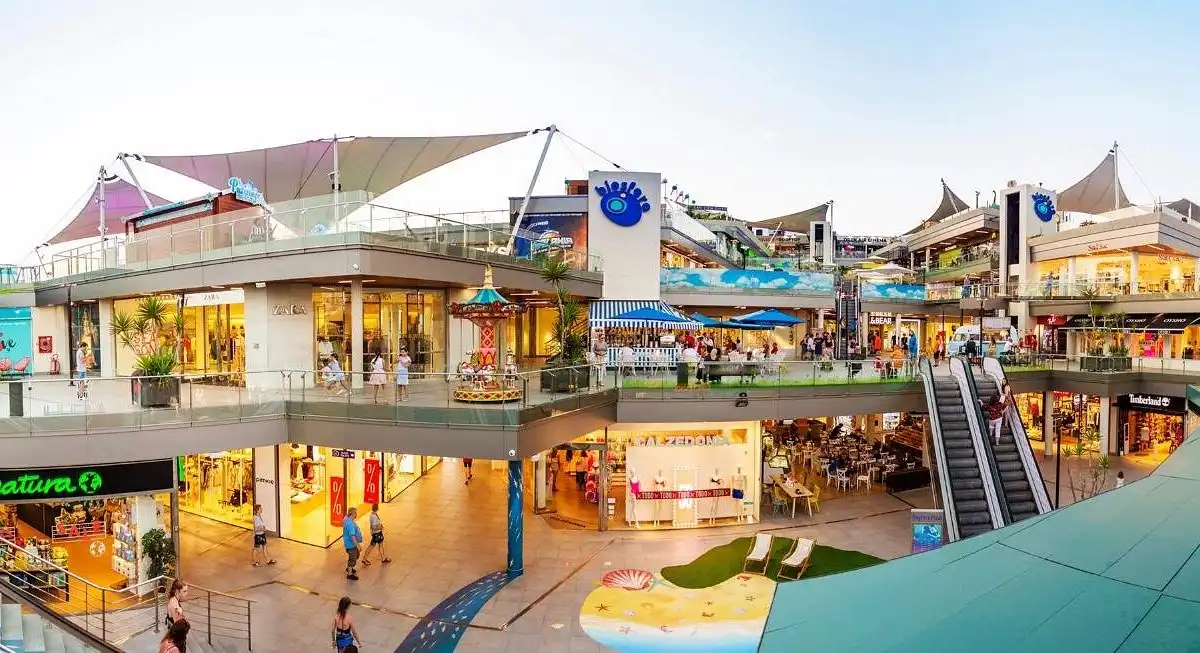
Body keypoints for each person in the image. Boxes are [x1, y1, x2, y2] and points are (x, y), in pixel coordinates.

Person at [342, 507, 363, 580]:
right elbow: (353, 536)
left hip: (350, 544)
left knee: (356, 555)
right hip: (351, 544)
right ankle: (349, 573)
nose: (356, 514)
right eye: (355, 513)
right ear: (352, 513)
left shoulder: (346, 519)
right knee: (353, 558)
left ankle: (349, 567)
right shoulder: (350, 524)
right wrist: (358, 545)